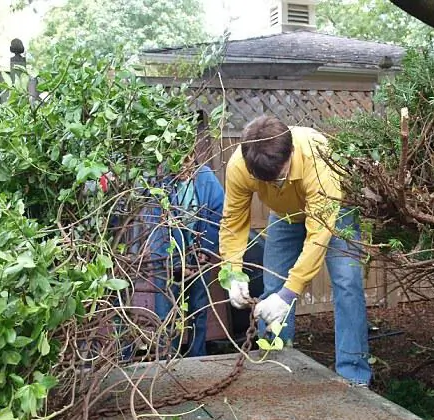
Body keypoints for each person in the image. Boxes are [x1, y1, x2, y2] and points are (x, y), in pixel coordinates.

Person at [218, 115, 371, 386]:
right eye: (266, 182)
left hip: (335, 214)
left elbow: (318, 236)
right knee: (272, 285)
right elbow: (233, 221)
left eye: (279, 178)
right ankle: (275, 366)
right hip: (286, 215)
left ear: (290, 152)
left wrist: (289, 294)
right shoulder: (240, 166)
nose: (274, 185)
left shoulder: (317, 154)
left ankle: (354, 375)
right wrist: (232, 273)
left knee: (347, 285)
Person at [144, 162, 224, 357]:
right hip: (167, 257)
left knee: (199, 308)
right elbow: (157, 228)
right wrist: (175, 263)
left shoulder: (205, 178)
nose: (183, 168)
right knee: (167, 313)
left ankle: (197, 357)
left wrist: (205, 251)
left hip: (198, 255)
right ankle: (168, 357)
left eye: (187, 162)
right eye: (178, 163)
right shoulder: (159, 183)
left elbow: (218, 214)